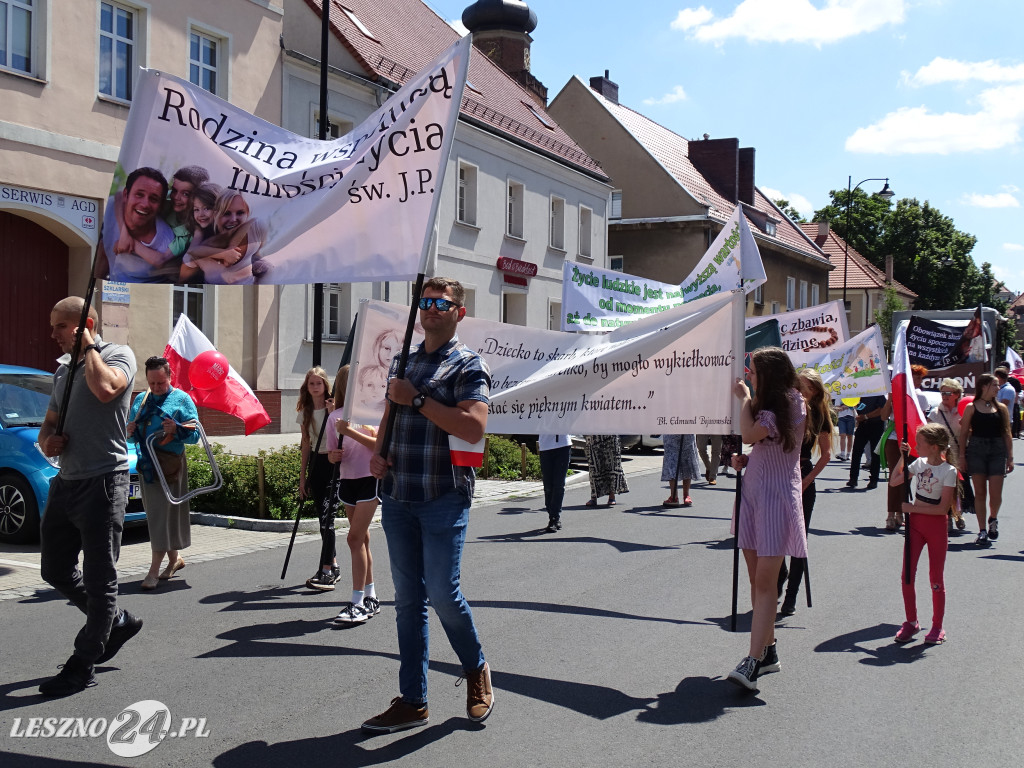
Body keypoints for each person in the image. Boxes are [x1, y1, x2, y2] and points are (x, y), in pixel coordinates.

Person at [363, 277, 493, 733]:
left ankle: (476, 668)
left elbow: (474, 427)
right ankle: (413, 700)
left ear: (459, 312)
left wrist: (417, 398)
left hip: (443, 495)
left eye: (442, 302)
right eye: (426, 301)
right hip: (399, 495)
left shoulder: (468, 365)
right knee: (408, 602)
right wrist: (379, 454)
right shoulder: (404, 359)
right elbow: (389, 415)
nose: (432, 308)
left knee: (442, 594)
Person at [37, 297, 142, 696]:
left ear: (85, 324)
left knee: (101, 580)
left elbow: (105, 391)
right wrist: (49, 442)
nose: (53, 335)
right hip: (66, 481)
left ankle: (83, 663)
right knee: (55, 570)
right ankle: (114, 622)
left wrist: (89, 349)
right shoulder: (63, 371)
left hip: (104, 481)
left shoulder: (119, 354)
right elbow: (47, 426)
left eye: (60, 327)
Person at [726, 347, 806, 692]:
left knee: (764, 584)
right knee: (756, 581)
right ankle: (769, 651)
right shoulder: (774, 404)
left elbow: (747, 434)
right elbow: (759, 444)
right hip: (755, 496)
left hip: (775, 500)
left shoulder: (789, 401)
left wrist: (744, 399)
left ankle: (753, 659)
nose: (750, 378)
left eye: (754, 373)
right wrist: (749, 461)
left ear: (769, 375)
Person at [126, 356, 200, 590]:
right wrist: (130, 431)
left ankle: (152, 572)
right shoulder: (141, 400)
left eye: (161, 383)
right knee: (158, 515)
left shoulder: (181, 399)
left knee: (160, 516)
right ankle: (174, 560)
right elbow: (134, 434)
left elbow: (196, 435)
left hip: (170, 466)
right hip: (147, 465)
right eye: (152, 383)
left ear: (170, 377)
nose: (157, 388)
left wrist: (177, 429)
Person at [890, 424, 958, 646]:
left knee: (936, 579)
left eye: (920, 443)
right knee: (907, 575)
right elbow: (894, 481)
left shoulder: (949, 471)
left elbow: (941, 509)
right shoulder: (918, 464)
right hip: (915, 526)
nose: (916, 445)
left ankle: (937, 626)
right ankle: (911, 621)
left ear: (934, 446)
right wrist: (904, 457)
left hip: (935, 526)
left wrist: (911, 509)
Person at [325, 365, 381, 625]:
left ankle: (357, 602)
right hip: (348, 481)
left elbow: (380, 448)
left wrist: (351, 431)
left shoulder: (372, 414)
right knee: (363, 540)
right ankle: (370, 596)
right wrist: (333, 455)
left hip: (371, 480)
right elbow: (331, 452)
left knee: (353, 538)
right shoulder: (334, 417)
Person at [778, 369, 832, 617]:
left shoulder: (820, 413)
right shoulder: (787, 409)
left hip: (803, 472)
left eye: (803, 387)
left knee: (799, 541)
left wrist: (808, 480)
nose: (798, 391)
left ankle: (791, 596)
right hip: (781, 472)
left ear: (814, 391)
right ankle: (779, 576)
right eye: (796, 386)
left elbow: (827, 454)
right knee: (776, 534)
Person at [296, 367, 338, 591]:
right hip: (315, 464)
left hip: (333, 464)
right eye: (311, 384)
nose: (315, 387)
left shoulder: (334, 407)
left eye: (318, 383)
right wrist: (302, 477)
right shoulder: (306, 412)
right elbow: (305, 444)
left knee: (327, 519)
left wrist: (333, 413)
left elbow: (342, 436)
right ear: (307, 387)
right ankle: (333, 564)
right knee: (323, 518)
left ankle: (326, 571)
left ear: (325, 385)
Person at [959, 373, 1013, 546]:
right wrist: (962, 455)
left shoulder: (1001, 408)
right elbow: (964, 432)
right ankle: (982, 530)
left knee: (996, 493)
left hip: (997, 450)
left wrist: (1010, 457)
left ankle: (993, 518)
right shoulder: (971, 407)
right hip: (977, 449)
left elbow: (1007, 433)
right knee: (980, 492)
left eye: (998, 385)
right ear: (984, 386)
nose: (998, 388)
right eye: (995, 385)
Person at [104, 167, 177, 283]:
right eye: (139, 195)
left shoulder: (167, 243)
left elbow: (163, 264)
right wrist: (124, 232)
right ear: (126, 195)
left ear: (161, 206)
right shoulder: (109, 209)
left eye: (153, 199)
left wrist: (132, 243)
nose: (145, 204)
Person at [179, 189, 264, 285]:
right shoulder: (199, 233)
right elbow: (193, 251)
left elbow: (251, 225)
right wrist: (223, 253)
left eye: (206, 208)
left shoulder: (251, 228)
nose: (201, 214)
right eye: (196, 209)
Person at [928, 378, 971, 533]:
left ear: (957, 394)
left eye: (948, 393)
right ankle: (948, 518)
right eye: (942, 392)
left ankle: (957, 514)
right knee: (943, 488)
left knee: (956, 488)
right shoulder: (935, 413)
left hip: (959, 455)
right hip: (940, 456)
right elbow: (928, 433)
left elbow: (971, 434)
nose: (944, 396)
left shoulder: (965, 411)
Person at [161, 165, 209, 261]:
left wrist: (132, 244)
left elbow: (162, 259)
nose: (176, 197)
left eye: (185, 194)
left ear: (198, 197)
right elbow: (121, 197)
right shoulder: (168, 197)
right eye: (174, 190)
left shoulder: (189, 231)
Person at [846, 394, 887, 490]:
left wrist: (865, 416)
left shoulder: (878, 393)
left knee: (875, 453)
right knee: (856, 451)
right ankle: (853, 479)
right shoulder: (861, 393)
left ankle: (874, 480)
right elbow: (857, 406)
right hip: (863, 424)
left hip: (877, 425)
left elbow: (881, 410)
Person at [539, 434, 572, 532]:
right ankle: (551, 513)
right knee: (548, 485)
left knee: (559, 484)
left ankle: (554, 517)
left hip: (563, 445)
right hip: (545, 446)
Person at [584, 434, 628, 506]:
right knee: (594, 466)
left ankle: (612, 495)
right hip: (593, 434)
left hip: (610, 434)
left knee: (612, 465)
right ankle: (593, 497)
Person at [661, 433, 701, 507]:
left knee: (687, 459)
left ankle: (686, 495)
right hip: (671, 430)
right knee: (671, 461)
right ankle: (674, 496)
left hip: (686, 431)